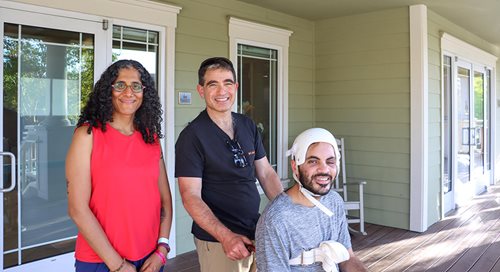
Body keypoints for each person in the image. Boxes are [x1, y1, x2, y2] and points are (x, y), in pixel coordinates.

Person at [175, 57, 283, 272]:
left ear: (236, 86)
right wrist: (226, 237)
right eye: (212, 84)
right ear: (201, 90)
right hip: (219, 241)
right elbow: (190, 196)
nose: (221, 91)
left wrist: (287, 210)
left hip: (256, 231)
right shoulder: (192, 136)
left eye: (227, 83)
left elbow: (266, 173)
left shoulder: (247, 125)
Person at [66, 59, 173, 272]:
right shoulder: (87, 135)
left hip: (150, 259)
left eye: (136, 86)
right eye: (120, 85)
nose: (128, 92)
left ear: (144, 92)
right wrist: (118, 265)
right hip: (101, 261)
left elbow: (165, 200)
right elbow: (78, 209)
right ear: (109, 90)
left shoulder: (151, 137)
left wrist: (162, 248)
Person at [256, 128, 367, 272]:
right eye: (313, 161)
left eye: (330, 162)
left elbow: (348, 259)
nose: (324, 169)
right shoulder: (276, 219)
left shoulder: (334, 202)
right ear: (295, 167)